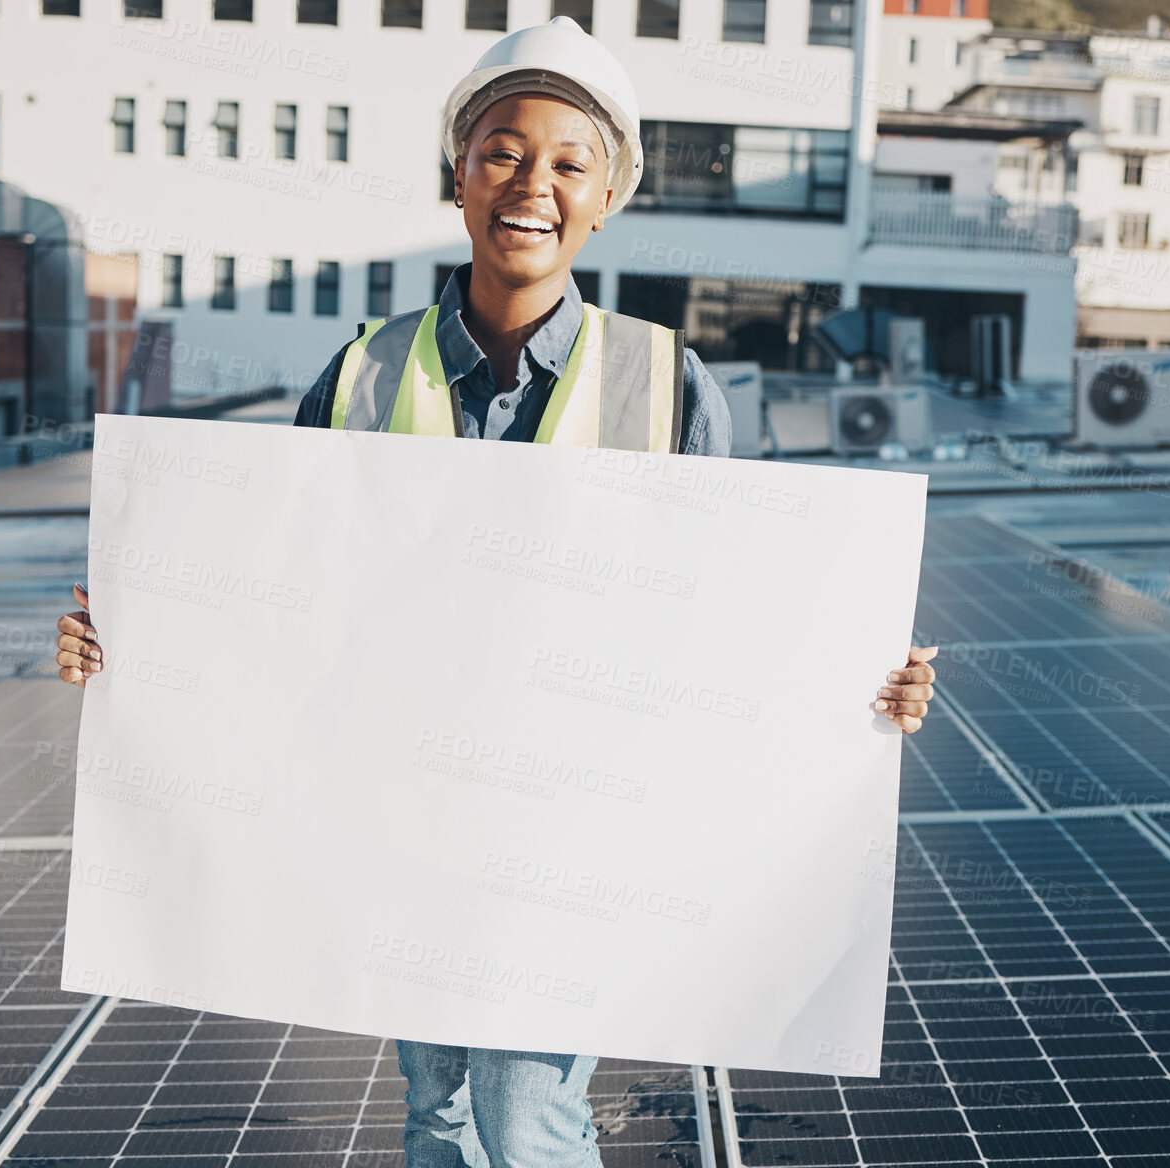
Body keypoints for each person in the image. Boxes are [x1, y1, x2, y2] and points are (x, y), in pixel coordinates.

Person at [54, 17, 940, 1168]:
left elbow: (736, 615)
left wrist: (865, 685)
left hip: (563, 834)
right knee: (438, 1115)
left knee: (528, 1118)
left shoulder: (665, 384)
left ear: (607, 194)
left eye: (569, 162)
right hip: (400, 821)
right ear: (457, 172)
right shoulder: (365, 369)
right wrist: (126, 631)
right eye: (502, 151)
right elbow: (267, 592)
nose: (533, 185)